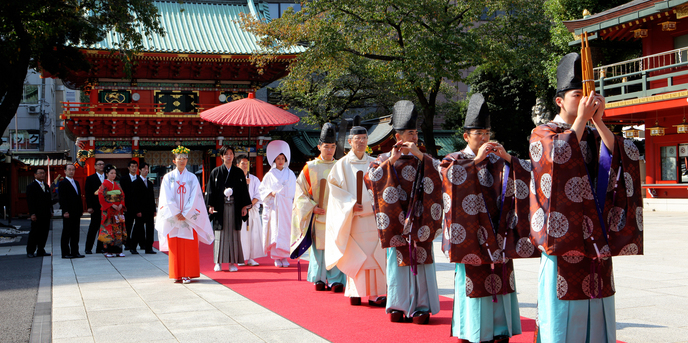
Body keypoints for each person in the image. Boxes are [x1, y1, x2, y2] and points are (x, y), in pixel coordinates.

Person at [530, 53, 643, 343]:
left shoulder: (593, 134)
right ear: (559, 101)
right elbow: (558, 157)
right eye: (578, 95)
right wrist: (581, 119)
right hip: (563, 236)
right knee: (563, 316)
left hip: (595, 235)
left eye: (589, 95)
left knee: (598, 304)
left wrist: (599, 121)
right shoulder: (542, 133)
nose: (585, 101)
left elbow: (624, 155)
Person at [440, 93, 532, 343]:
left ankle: (501, 329)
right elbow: (448, 179)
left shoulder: (499, 160)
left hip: (499, 232)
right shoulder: (454, 160)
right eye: (478, 133)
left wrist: (509, 160)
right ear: (465, 136)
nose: (484, 138)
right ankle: (471, 330)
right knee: (473, 281)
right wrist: (477, 160)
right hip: (471, 234)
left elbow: (529, 174)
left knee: (502, 279)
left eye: (487, 132)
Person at [364, 100, 442, 324]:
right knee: (396, 264)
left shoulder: (424, 160)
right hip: (397, 220)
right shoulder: (382, 160)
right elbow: (371, 179)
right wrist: (392, 160)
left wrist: (419, 155)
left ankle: (421, 306)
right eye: (410, 133)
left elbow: (442, 174)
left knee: (423, 262)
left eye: (416, 132)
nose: (415, 137)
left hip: (421, 220)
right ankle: (397, 304)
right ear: (398, 137)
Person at [325, 125, 387, 305]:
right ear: (349, 141)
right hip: (354, 219)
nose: (361, 142)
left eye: (364, 138)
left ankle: (377, 293)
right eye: (357, 139)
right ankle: (355, 291)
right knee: (357, 255)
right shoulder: (341, 165)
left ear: (368, 141)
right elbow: (335, 191)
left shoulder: (376, 162)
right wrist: (350, 205)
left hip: (374, 218)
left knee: (376, 255)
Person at [292, 123, 346, 292]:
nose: (329, 150)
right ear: (319, 147)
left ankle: (336, 279)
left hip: (336, 215)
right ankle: (319, 278)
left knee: (336, 245)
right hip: (318, 214)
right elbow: (299, 193)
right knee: (319, 247)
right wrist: (312, 207)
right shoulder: (310, 168)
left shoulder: (341, 166)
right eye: (326, 147)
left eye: (332, 147)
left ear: (335, 147)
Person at [156, 146, 214, 284]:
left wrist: (186, 213)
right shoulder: (168, 178)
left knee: (189, 246)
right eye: (179, 158)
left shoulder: (192, 177)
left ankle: (188, 273)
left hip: (188, 218)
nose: (182, 160)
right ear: (174, 160)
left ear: (187, 160)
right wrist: (176, 212)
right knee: (175, 245)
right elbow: (166, 197)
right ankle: (177, 273)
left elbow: (196, 197)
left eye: (184, 158)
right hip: (174, 217)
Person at [206, 146, 252, 272]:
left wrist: (244, 206)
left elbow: (243, 190)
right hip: (220, 207)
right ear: (221, 156)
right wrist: (211, 205)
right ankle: (218, 262)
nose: (229, 156)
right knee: (220, 234)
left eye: (231, 154)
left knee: (233, 234)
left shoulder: (238, 172)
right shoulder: (216, 172)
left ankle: (232, 262)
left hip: (235, 207)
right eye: (226, 154)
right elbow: (211, 190)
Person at [258, 140, 296, 267]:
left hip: (286, 207)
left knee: (286, 231)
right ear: (274, 159)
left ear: (286, 159)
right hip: (274, 207)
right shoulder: (269, 175)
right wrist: (271, 193)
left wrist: (285, 196)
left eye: (282, 158)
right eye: (278, 158)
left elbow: (293, 190)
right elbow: (262, 190)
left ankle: (285, 256)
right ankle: (276, 257)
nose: (280, 161)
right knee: (275, 230)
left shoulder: (290, 174)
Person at [237, 155, 265, 265]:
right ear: (238, 165)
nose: (245, 165)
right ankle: (240, 257)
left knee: (253, 234)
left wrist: (250, 205)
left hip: (251, 210)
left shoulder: (254, 179)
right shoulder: (235, 178)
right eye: (242, 163)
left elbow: (259, 194)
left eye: (246, 163)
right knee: (241, 234)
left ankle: (251, 258)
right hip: (240, 211)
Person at [98, 164, 127, 258]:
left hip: (117, 210)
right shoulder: (104, 185)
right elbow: (101, 197)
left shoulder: (117, 184)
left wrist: (121, 204)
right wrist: (112, 204)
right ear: (106, 174)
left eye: (114, 173)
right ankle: (108, 251)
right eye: (111, 173)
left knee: (118, 230)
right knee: (109, 230)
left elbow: (122, 195)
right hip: (109, 211)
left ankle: (118, 250)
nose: (114, 175)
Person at [59, 164, 85, 259]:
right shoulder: (63, 183)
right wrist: (65, 211)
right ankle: (65, 252)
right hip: (68, 212)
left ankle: (75, 252)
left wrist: (81, 210)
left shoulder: (76, 183)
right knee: (67, 232)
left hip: (76, 212)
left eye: (73, 170)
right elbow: (62, 198)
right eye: (69, 169)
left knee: (75, 233)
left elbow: (79, 198)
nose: (71, 171)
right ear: (65, 171)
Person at [26, 168, 53, 258]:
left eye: (43, 173)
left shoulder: (46, 186)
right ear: (35, 175)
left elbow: (49, 200)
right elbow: (30, 201)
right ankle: (30, 250)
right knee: (34, 232)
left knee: (44, 232)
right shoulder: (31, 186)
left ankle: (41, 249)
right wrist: (32, 213)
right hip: (37, 214)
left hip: (46, 213)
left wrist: (51, 210)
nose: (42, 175)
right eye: (40, 173)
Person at [132, 162, 157, 254]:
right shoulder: (136, 182)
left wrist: (154, 210)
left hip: (149, 209)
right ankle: (133, 246)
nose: (146, 171)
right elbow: (134, 198)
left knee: (150, 229)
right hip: (140, 210)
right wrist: (137, 210)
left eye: (147, 169)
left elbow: (152, 197)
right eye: (144, 169)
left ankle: (149, 247)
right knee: (138, 228)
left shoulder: (149, 183)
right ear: (140, 170)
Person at [85, 160, 106, 254]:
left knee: (103, 228)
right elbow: (88, 194)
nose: (101, 166)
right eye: (99, 164)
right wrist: (89, 206)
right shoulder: (90, 178)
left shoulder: (108, 177)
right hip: (95, 207)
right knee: (93, 228)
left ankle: (100, 248)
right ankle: (88, 248)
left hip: (106, 207)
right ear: (95, 166)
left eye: (102, 164)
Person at [120, 159, 139, 253]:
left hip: (137, 207)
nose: (134, 168)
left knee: (138, 227)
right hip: (127, 207)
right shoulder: (123, 179)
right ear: (129, 168)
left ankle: (135, 244)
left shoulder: (139, 179)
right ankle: (127, 243)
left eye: (135, 166)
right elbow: (121, 194)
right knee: (128, 226)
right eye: (132, 166)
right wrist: (123, 205)